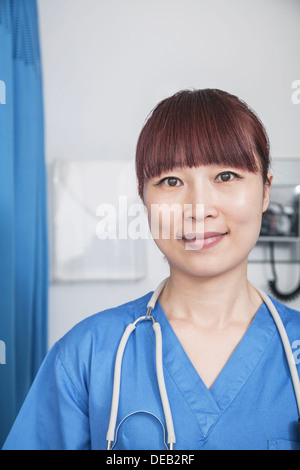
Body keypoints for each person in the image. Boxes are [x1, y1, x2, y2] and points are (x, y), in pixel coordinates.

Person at [3, 89, 300, 450]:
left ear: (266, 191)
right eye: (171, 181)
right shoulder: (87, 356)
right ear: (144, 197)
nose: (198, 208)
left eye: (226, 176)